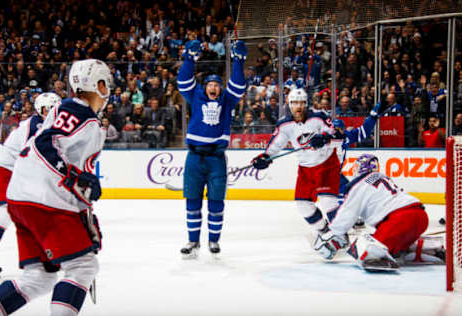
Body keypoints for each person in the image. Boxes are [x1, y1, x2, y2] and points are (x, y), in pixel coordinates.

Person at [0, 59, 111, 315]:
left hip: (23, 199)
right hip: (43, 200)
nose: (108, 90)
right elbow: (46, 144)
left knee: (38, 278)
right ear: (96, 85)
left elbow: (61, 155)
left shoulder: (69, 111)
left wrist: (85, 211)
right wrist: (75, 177)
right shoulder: (78, 111)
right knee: (83, 267)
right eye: (105, 84)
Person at [314, 154, 445, 271]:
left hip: (399, 220)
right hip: (420, 217)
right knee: (398, 247)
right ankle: (431, 249)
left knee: (361, 246)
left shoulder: (357, 184)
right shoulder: (383, 177)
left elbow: (346, 216)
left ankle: (378, 256)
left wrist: (329, 235)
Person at [177, 39, 247, 258]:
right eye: (210, 85)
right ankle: (193, 240)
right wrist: (189, 58)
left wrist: (238, 61)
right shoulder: (195, 96)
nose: (214, 88)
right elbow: (183, 82)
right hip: (194, 157)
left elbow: (238, 86)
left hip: (216, 158)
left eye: (217, 85)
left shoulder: (227, 100)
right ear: (204, 87)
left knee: (216, 201)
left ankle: (214, 241)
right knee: (193, 200)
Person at [0, 92, 61, 280]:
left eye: (56, 109)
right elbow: (35, 156)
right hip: (5, 170)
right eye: (49, 109)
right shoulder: (35, 126)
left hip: (19, 171)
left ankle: (45, 255)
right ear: (41, 110)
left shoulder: (50, 126)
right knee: (4, 211)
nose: (53, 113)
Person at [251, 88, 341, 234]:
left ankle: (341, 235)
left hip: (326, 166)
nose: (298, 106)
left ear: (306, 104)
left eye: (301, 103)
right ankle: (326, 232)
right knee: (302, 205)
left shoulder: (319, 117)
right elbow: (275, 145)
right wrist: (264, 158)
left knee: (327, 202)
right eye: (295, 103)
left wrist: (325, 138)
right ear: (289, 104)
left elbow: (338, 137)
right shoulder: (285, 124)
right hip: (305, 170)